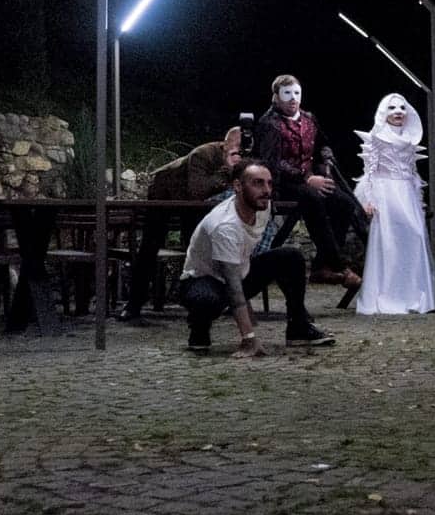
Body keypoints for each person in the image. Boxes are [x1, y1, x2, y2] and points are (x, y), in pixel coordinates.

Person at [176, 159, 335, 355]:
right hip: (202, 281)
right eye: (257, 183)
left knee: (291, 256)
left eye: (269, 183)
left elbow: (256, 250)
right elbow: (233, 288)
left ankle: (298, 328)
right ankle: (199, 328)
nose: (266, 190)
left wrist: (268, 271)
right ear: (237, 186)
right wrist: (249, 338)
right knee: (206, 299)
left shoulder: (262, 206)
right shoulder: (224, 226)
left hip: (240, 272)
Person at [120, 127, 240, 322]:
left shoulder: (237, 160)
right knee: (150, 247)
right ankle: (134, 304)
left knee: (201, 249)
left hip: (193, 204)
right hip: (165, 193)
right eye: (236, 151)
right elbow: (196, 189)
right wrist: (226, 173)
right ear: (225, 147)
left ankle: (208, 301)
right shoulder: (203, 154)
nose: (239, 157)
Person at [253, 75, 361, 289]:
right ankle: (339, 265)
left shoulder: (309, 119)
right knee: (312, 198)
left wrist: (326, 165)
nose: (293, 99)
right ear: (275, 97)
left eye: (296, 93)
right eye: (287, 94)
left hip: (311, 180)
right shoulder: (269, 124)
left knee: (344, 203)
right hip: (283, 184)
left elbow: (322, 146)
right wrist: (306, 178)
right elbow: (272, 162)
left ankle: (322, 266)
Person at [354, 94, 434, 315]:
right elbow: (368, 172)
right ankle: (389, 294)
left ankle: (414, 293)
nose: (398, 111)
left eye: (402, 108)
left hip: (407, 192)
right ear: (384, 112)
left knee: (416, 236)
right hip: (385, 193)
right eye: (392, 108)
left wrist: (419, 198)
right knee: (389, 242)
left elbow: (413, 172)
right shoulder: (377, 138)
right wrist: (368, 200)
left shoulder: (410, 138)